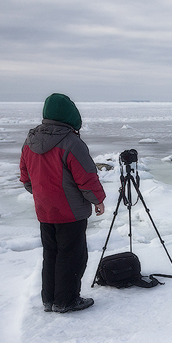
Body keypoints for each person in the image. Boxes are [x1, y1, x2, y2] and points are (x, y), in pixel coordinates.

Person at [20, 93, 106, 313]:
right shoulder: (71, 143)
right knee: (72, 256)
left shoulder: (30, 141)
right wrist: (97, 200)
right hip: (70, 213)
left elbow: (25, 176)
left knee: (51, 254)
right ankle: (66, 301)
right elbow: (86, 177)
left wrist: (41, 195)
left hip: (45, 211)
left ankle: (49, 300)